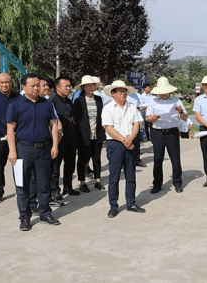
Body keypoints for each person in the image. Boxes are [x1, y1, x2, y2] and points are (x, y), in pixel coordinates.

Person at [6, 73, 60, 231]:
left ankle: (45, 212)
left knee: (43, 184)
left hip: (43, 149)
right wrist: (12, 151)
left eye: (38, 85)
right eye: (33, 85)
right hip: (23, 150)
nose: (37, 88)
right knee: (22, 185)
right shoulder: (15, 105)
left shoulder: (46, 104)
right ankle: (24, 216)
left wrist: (55, 145)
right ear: (24, 87)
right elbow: (10, 128)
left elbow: (54, 125)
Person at [101, 80, 146, 218]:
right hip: (115, 144)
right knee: (114, 177)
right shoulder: (108, 108)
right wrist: (124, 140)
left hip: (130, 142)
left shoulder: (132, 107)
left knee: (131, 175)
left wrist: (130, 138)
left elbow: (136, 124)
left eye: (124, 91)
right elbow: (108, 127)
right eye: (120, 91)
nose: (123, 93)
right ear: (113, 94)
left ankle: (131, 203)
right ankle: (113, 205)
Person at [146, 77, 187, 194]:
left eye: (166, 91)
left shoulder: (177, 101)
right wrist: (153, 118)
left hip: (172, 132)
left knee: (175, 158)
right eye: (162, 91)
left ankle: (178, 183)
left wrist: (180, 112)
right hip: (158, 132)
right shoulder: (153, 102)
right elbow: (148, 117)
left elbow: (184, 118)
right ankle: (157, 184)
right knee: (158, 159)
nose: (164, 93)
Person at [0, 73, 20, 203]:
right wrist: (5, 133)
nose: (5, 85)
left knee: (18, 165)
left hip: (17, 136)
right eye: (2, 83)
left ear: (11, 83)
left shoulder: (18, 97)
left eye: (7, 82)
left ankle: (20, 190)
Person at [73, 75, 106, 193]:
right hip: (83, 135)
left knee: (97, 158)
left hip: (97, 134)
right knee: (83, 159)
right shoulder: (78, 101)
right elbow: (76, 120)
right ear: (83, 87)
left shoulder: (98, 99)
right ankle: (82, 182)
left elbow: (101, 117)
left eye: (92, 85)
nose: (90, 87)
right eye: (87, 85)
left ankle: (97, 180)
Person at [49, 76, 80, 199]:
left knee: (70, 163)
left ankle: (68, 187)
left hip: (70, 136)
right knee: (56, 165)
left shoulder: (68, 101)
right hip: (59, 138)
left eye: (69, 86)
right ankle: (54, 190)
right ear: (57, 87)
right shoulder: (52, 101)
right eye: (65, 86)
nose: (68, 88)